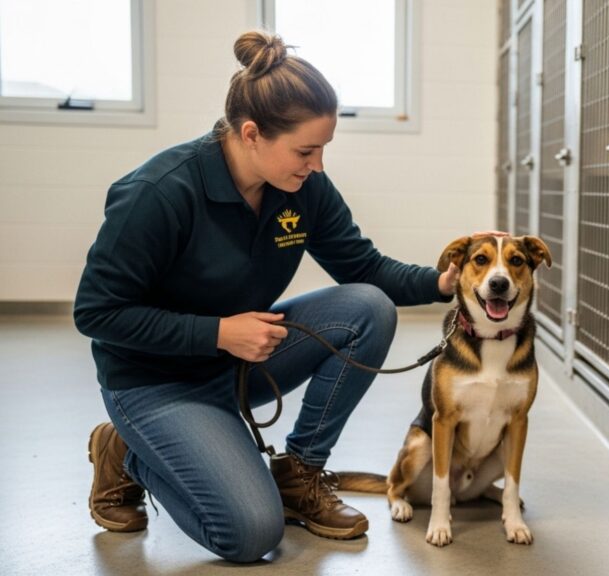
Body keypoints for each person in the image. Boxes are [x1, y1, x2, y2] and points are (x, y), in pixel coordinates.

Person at [74, 30, 459, 563]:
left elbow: (363, 267)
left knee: (367, 308)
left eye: (323, 149)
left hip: (237, 362)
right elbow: (96, 312)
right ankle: (127, 452)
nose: (317, 165)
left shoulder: (301, 188)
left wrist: (442, 282)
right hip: (155, 382)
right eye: (306, 150)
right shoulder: (160, 193)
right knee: (251, 535)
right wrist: (218, 332)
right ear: (251, 133)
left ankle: (298, 475)